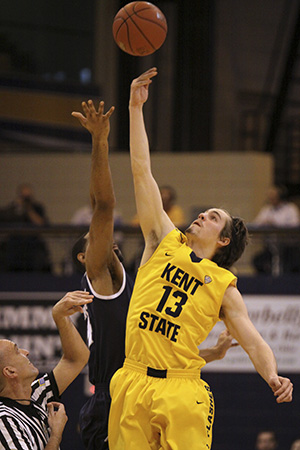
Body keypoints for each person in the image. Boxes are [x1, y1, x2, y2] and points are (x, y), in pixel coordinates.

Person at [107, 68, 293, 450]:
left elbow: (254, 341)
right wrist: (134, 109)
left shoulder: (224, 287)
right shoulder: (163, 241)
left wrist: (273, 376)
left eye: (212, 217)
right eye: (204, 211)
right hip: (132, 377)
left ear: (223, 240)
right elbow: (142, 173)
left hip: (181, 387)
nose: (202, 215)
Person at [71, 100, 237, 450]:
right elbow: (104, 205)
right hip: (115, 398)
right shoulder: (105, 278)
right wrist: (101, 142)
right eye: (97, 240)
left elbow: (162, 360)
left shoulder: (148, 280)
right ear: (86, 256)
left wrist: (209, 355)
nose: (108, 242)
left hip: (144, 387)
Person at [0, 290, 93, 450]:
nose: (26, 352)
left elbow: (76, 359)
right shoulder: (4, 420)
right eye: (17, 350)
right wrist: (56, 435)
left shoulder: (36, 393)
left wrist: (60, 317)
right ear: (10, 372)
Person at [0, 183, 51, 272]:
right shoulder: (12, 209)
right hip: (14, 245)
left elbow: (41, 223)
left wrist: (28, 209)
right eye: (24, 197)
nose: (26, 199)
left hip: (33, 245)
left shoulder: (37, 208)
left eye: (28, 197)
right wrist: (17, 207)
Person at [251, 184, 300, 274]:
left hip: (288, 247)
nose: (271, 199)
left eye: (273, 196)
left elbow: (295, 225)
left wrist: (276, 224)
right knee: (257, 261)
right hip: (270, 247)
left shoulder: (290, 209)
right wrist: (265, 223)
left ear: (280, 196)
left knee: (292, 265)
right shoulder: (267, 209)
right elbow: (255, 225)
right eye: (270, 196)